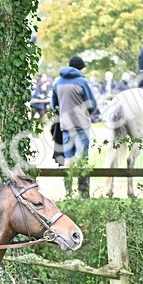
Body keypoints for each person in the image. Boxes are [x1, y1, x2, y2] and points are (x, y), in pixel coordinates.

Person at [50, 56, 99, 199]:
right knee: (83, 159)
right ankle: (84, 195)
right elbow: (92, 104)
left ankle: (69, 193)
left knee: (68, 159)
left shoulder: (58, 82)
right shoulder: (82, 81)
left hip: (65, 126)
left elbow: (54, 106)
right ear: (80, 68)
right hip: (81, 125)